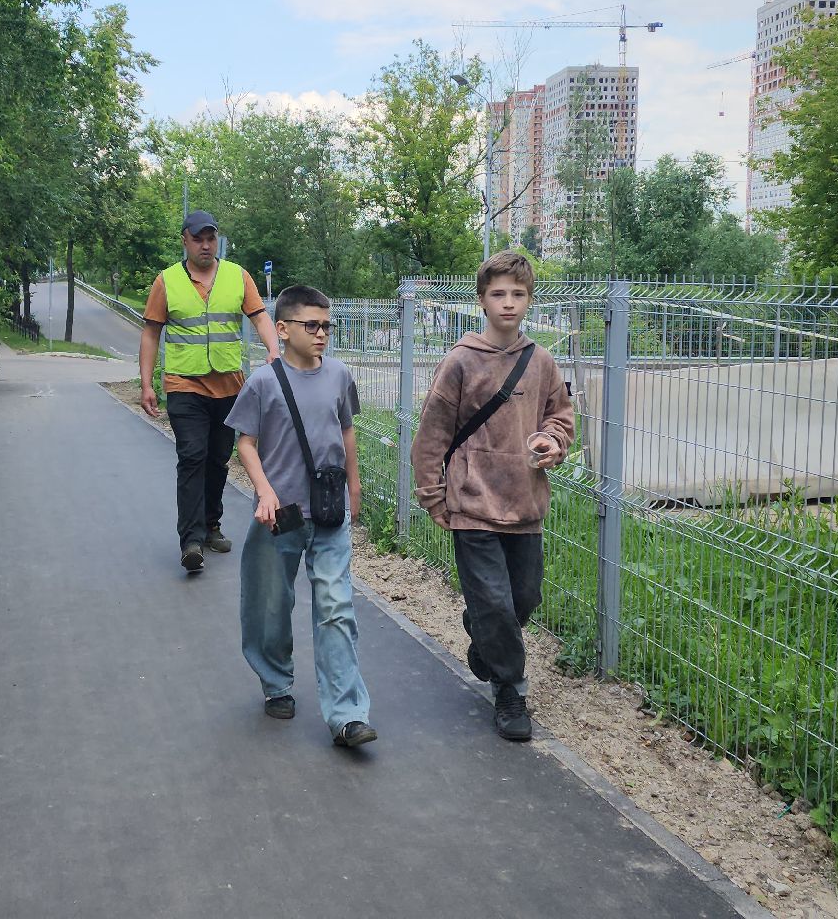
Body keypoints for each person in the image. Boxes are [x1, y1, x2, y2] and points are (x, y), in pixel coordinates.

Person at [409, 251, 574, 742]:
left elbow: (560, 417)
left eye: (518, 294)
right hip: (473, 504)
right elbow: (432, 435)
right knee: (497, 606)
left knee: (522, 598)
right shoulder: (460, 361)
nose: (508, 303)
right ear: (481, 300)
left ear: (528, 300)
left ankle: (483, 633)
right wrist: (433, 495)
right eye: (498, 294)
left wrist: (553, 441)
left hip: (524, 505)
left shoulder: (540, 361)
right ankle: (510, 690)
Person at [227, 285, 376, 749]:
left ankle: (348, 715)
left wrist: (354, 483)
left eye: (327, 326)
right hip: (281, 514)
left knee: (336, 608)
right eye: (312, 326)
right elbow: (245, 442)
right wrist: (264, 490)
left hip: (328, 511)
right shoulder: (263, 382)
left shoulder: (338, 375)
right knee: (270, 604)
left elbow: (346, 431)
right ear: (284, 329)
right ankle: (276, 682)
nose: (322, 334)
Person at [138, 211, 280, 573]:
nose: (205, 245)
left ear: (217, 240)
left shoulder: (237, 276)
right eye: (198, 238)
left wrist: (274, 349)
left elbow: (260, 316)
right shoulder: (167, 281)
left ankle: (211, 524)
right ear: (185, 240)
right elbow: (151, 332)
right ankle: (191, 540)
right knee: (192, 457)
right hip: (184, 385)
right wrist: (145, 383)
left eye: (211, 238)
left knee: (219, 457)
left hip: (229, 386)